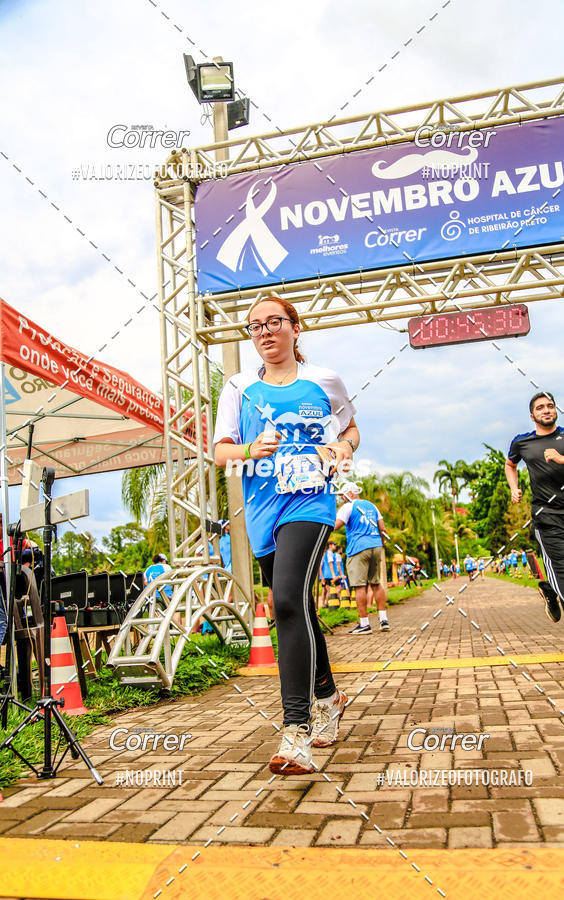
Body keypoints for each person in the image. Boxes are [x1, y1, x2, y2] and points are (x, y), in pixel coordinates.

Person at [213, 294, 357, 776]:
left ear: (295, 328)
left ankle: (296, 732)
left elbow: (351, 427)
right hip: (262, 509)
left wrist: (340, 444)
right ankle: (330, 698)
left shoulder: (324, 381)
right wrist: (250, 448)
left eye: (274, 322)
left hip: (310, 502)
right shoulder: (238, 387)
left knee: (288, 603)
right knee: (300, 607)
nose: (264, 332)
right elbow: (221, 454)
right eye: (254, 326)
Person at [505, 391, 564, 659]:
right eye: (540, 407)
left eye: (550, 406)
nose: (546, 410)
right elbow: (509, 465)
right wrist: (515, 488)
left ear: (555, 410)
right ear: (532, 414)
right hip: (546, 519)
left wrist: (563, 459)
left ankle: (549, 589)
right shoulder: (522, 442)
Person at [335, 483, 389, 634]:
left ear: (350, 494)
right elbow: (383, 529)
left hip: (358, 548)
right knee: (376, 583)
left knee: (360, 586)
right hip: (376, 545)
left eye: (343, 495)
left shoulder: (348, 507)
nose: (341, 499)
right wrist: (380, 545)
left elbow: (336, 525)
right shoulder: (372, 506)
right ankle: (383, 620)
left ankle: (364, 624)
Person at [319, 539, 341, 607]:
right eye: (334, 544)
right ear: (330, 545)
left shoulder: (327, 553)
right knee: (331, 590)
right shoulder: (329, 553)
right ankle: (327, 603)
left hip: (327, 575)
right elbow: (330, 564)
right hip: (329, 575)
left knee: (327, 591)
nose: (335, 546)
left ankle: (326, 603)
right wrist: (333, 574)